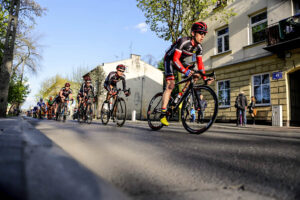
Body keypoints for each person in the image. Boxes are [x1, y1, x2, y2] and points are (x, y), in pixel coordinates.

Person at [160, 21, 214, 126]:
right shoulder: (184, 41)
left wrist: (205, 77)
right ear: (193, 33)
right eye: (200, 33)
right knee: (170, 85)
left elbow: (200, 64)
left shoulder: (199, 47)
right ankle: (162, 114)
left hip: (180, 61)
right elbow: (175, 59)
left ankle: (180, 95)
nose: (203, 36)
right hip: (170, 60)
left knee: (196, 75)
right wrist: (186, 71)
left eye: (204, 34)